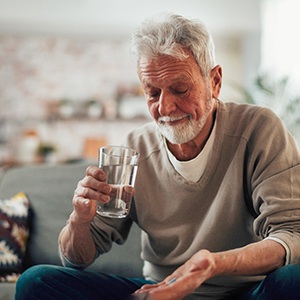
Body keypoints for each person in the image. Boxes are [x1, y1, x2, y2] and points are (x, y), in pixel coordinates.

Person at [16, 13, 300, 300]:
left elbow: (292, 236)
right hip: (159, 293)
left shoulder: (258, 129)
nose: (165, 107)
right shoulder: (133, 149)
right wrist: (80, 219)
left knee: (294, 280)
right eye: (152, 93)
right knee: (36, 282)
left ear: (214, 82)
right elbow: (77, 260)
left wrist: (210, 265)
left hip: (245, 292)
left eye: (180, 89)